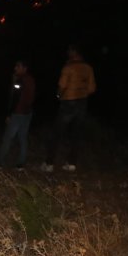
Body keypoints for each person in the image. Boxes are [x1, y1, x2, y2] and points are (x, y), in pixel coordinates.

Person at [42, 45, 96, 173]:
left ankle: (49, 164)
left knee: (57, 133)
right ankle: (72, 164)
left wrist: (59, 95)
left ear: (74, 52)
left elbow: (62, 85)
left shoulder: (68, 67)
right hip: (82, 102)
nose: (68, 53)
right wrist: (81, 93)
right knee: (76, 134)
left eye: (70, 51)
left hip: (68, 102)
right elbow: (92, 88)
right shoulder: (88, 68)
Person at [0, 60, 36, 169]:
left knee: (8, 137)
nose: (15, 68)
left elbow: (15, 98)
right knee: (22, 137)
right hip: (27, 113)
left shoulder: (20, 80)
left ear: (24, 68)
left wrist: (9, 114)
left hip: (18, 113)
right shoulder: (30, 79)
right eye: (15, 66)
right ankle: (21, 163)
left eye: (18, 66)